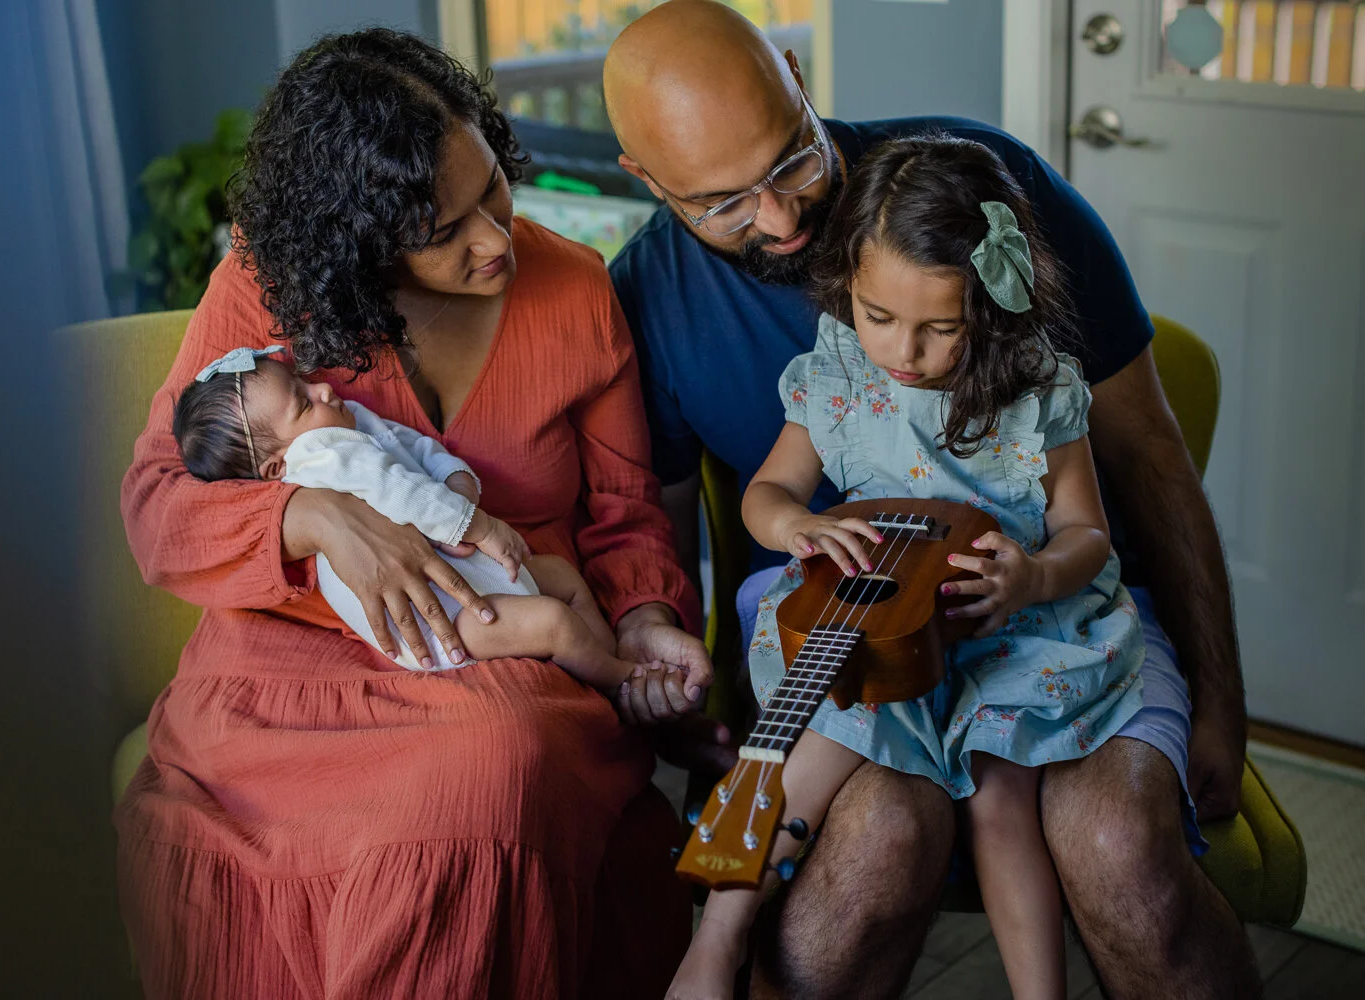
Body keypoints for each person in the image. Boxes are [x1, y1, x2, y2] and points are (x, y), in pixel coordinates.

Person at [603, 3, 1258, 997]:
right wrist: (679, 695)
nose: (777, 220)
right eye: (722, 203)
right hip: (851, 637)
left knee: (1118, 847)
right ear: (645, 179)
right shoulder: (659, 300)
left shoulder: (990, 195)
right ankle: (715, 944)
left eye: (790, 162)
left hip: (1047, 628)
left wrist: (1220, 698)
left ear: (797, 79)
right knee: (870, 847)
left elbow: (1147, 457)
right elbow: (652, 532)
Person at [117, 29, 710, 999]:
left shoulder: (573, 290)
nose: (494, 240)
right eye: (442, 230)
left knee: (487, 769)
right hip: (292, 670)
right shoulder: (267, 289)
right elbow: (158, 504)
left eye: (494, 188)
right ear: (355, 238)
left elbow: (623, 512)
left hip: (504, 641)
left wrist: (644, 620)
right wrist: (314, 517)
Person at [670, 135, 1148, 1000]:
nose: (903, 350)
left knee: (1001, 801)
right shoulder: (838, 373)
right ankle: (717, 937)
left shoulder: (1039, 388)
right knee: (817, 739)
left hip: (1002, 626)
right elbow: (768, 492)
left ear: (989, 312)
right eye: (877, 315)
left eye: (941, 328)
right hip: (879, 616)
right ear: (847, 285)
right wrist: (797, 525)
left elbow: (1086, 532)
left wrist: (1034, 577)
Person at [172, 345, 700, 696]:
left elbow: (409, 445)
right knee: (554, 622)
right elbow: (400, 490)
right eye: (302, 403)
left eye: (303, 382)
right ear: (277, 467)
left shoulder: (342, 424)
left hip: (461, 578)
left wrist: (454, 478)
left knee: (561, 576)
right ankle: (620, 680)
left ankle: (601, 657)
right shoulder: (321, 458)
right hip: (437, 621)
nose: (323, 390)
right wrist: (479, 525)